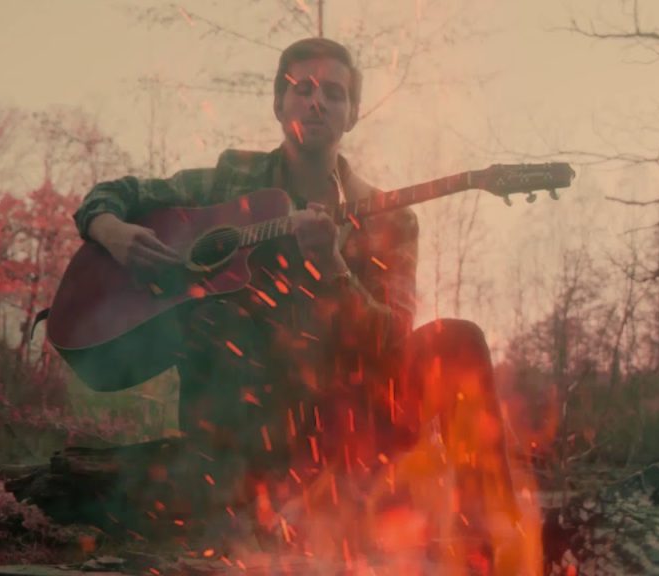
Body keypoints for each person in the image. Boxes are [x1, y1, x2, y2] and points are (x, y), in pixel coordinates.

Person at [72, 37, 535, 573]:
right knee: (222, 312)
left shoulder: (390, 219)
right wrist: (110, 230)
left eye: (334, 93)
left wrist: (333, 269)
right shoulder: (229, 181)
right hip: (239, 428)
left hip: (348, 429)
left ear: (352, 114)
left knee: (458, 340)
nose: (317, 102)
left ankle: (491, 550)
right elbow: (116, 192)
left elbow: (390, 337)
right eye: (303, 89)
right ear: (278, 103)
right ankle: (249, 510)